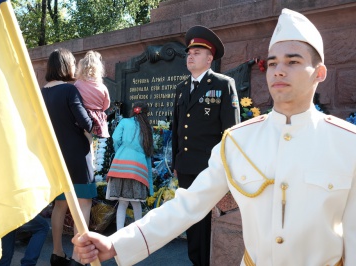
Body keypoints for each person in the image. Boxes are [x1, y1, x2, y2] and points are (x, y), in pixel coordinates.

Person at [72, 8, 356, 266]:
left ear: (319, 73)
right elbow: (186, 205)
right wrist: (116, 243)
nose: (279, 70)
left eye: (293, 61)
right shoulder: (239, 142)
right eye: (272, 63)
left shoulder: (347, 145)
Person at [171, 25, 240, 265]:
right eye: (189, 53)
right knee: (190, 220)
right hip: (186, 166)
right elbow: (177, 128)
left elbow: (230, 132)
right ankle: (195, 260)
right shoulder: (181, 90)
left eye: (197, 52)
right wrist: (175, 163)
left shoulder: (223, 85)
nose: (190, 56)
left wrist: (229, 169)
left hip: (210, 168)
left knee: (208, 223)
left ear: (210, 58)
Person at [41, 48, 97, 266]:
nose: (75, 66)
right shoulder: (69, 90)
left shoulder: (42, 91)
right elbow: (86, 123)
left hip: (55, 156)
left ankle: (57, 253)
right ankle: (77, 257)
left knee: (60, 205)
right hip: (76, 155)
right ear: (65, 65)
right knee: (83, 204)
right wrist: (94, 125)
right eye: (73, 62)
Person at [106, 102, 154, 230]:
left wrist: (120, 150)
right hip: (138, 169)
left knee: (122, 202)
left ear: (133, 111)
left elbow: (115, 138)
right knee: (136, 203)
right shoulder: (148, 128)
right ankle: (138, 232)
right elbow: (149, 154)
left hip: (120, 166)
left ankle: (119, 233)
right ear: (146, 113)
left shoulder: (124, 122)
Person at [75, 50, 111, 178]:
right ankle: (92, 164)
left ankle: (89, 164)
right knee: (90, 141)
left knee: (86, 141)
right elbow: (106, 104)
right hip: (97, 118)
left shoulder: (78, 84)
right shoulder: (102, 86)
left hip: (82, 116)